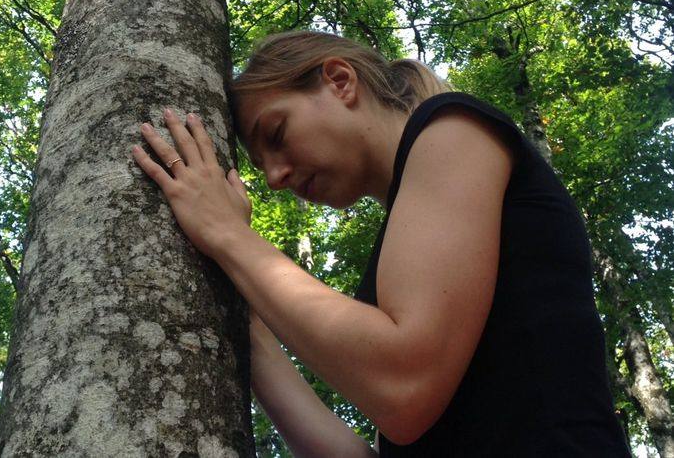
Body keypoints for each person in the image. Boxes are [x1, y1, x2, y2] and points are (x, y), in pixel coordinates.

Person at [130, 30, 630, 456]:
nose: (276, 177)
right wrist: (247, 319)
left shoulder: (453, 129)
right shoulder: (404, 255)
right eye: (262, 168)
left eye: (277, 134)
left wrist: (227, 233)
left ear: (339, 80)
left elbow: (404, 387)